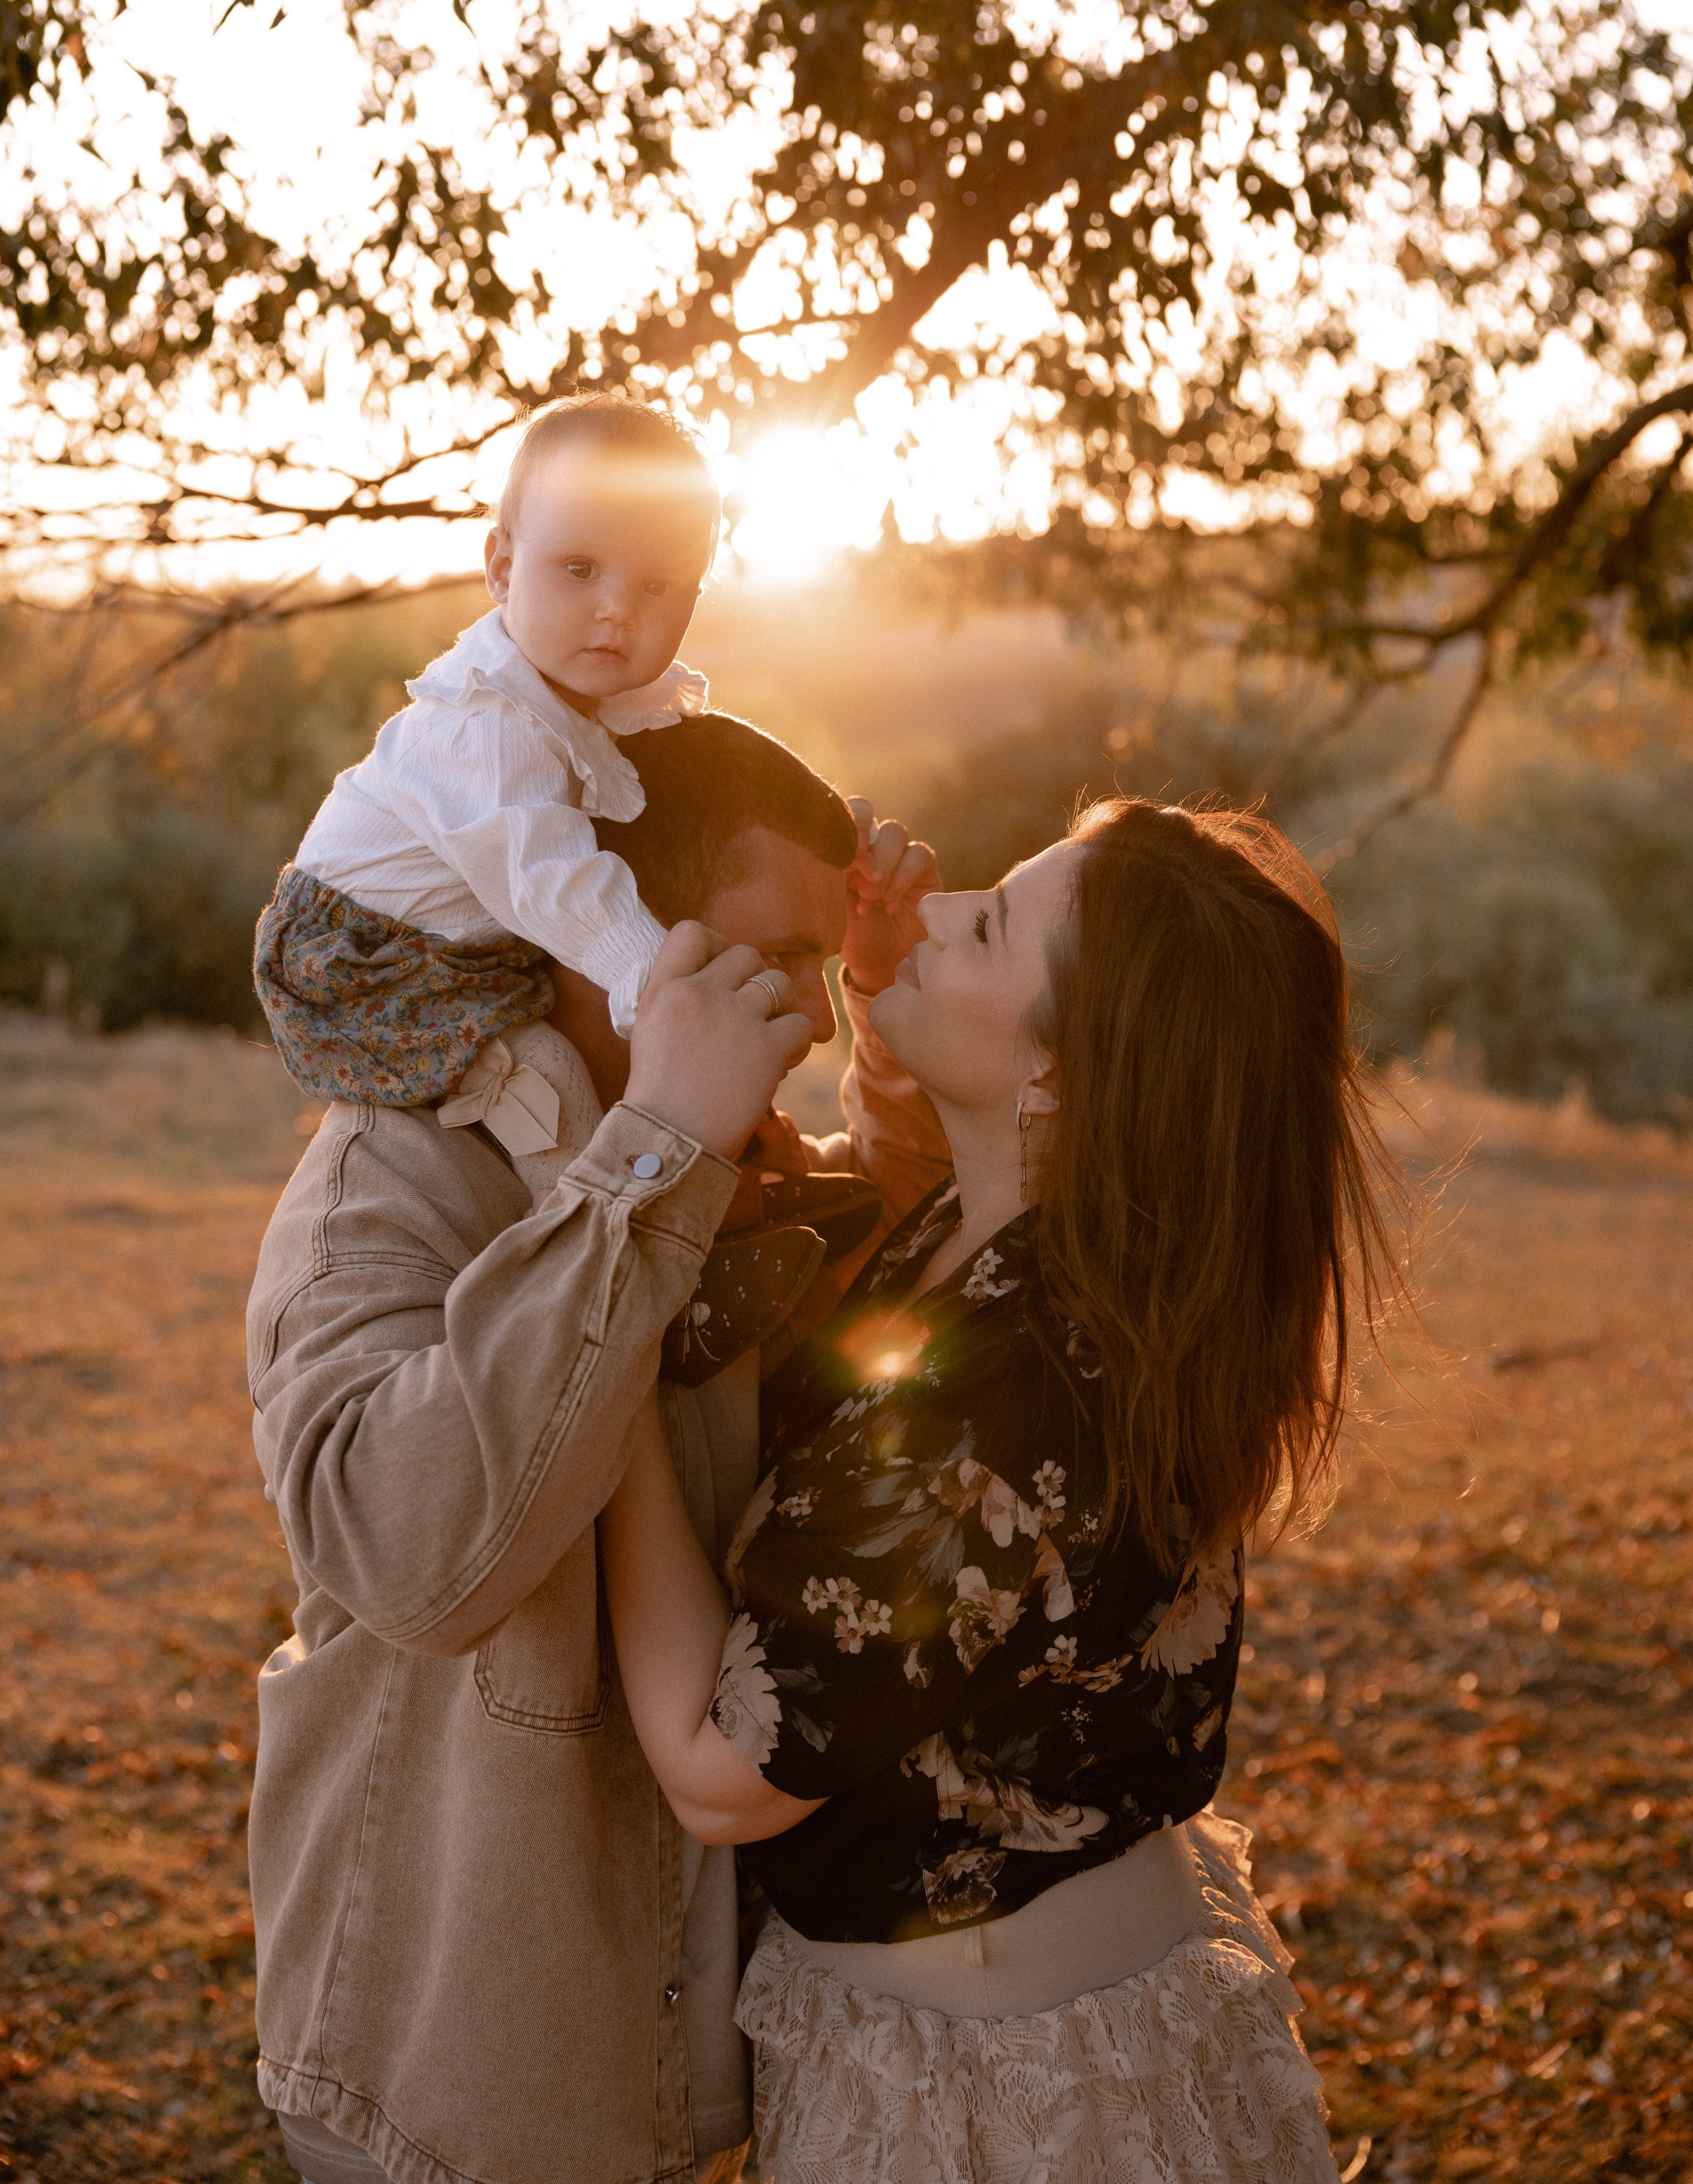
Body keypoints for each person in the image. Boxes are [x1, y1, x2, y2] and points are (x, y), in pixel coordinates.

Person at [599, 796, 1405, 2184]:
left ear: (1053, 1072)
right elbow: (924, 1175)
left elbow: (718, 1772)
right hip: (1022, 1992)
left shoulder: (1012, 1387)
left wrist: (594, 1352)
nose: (932, 901)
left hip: (1003, 2095)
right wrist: (881, 982)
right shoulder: (1041, 1235)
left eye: (979, 924)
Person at [245, 715, 946, 2184]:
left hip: (683, 2049)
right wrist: (650, 1156)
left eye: (822, 973)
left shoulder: (729, 1164)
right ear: (600, 925)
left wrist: (881, 1006)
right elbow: (416, 1564)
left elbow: (905, 1254)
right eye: (778, 961)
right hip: (457, 2071)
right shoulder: (387, 1177)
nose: (806, 1023)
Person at [253, 394, 720, 1114]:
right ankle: (601, 1213)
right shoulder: (491, 723)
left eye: (656, 585)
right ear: (502, 567)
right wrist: (656, 974)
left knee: (572, 1056)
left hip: (450, 946)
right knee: (550, 1084)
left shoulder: (577, 699)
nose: (616, 610)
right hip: (366, 961)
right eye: (578, 568)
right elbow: (551, 878)